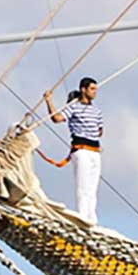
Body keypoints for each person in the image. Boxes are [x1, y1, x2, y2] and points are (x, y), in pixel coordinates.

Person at [43, 77, 104, 224]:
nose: (95, 92)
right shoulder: (74, 106)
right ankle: (83, 217)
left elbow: (100, 130)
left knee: (92, 188)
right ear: (83, 89)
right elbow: (57, 118)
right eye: (92, 89)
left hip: (95, 150)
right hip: (81, 149)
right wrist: (48, 101)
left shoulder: (96, 110)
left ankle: (91, 218)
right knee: (83, 186)